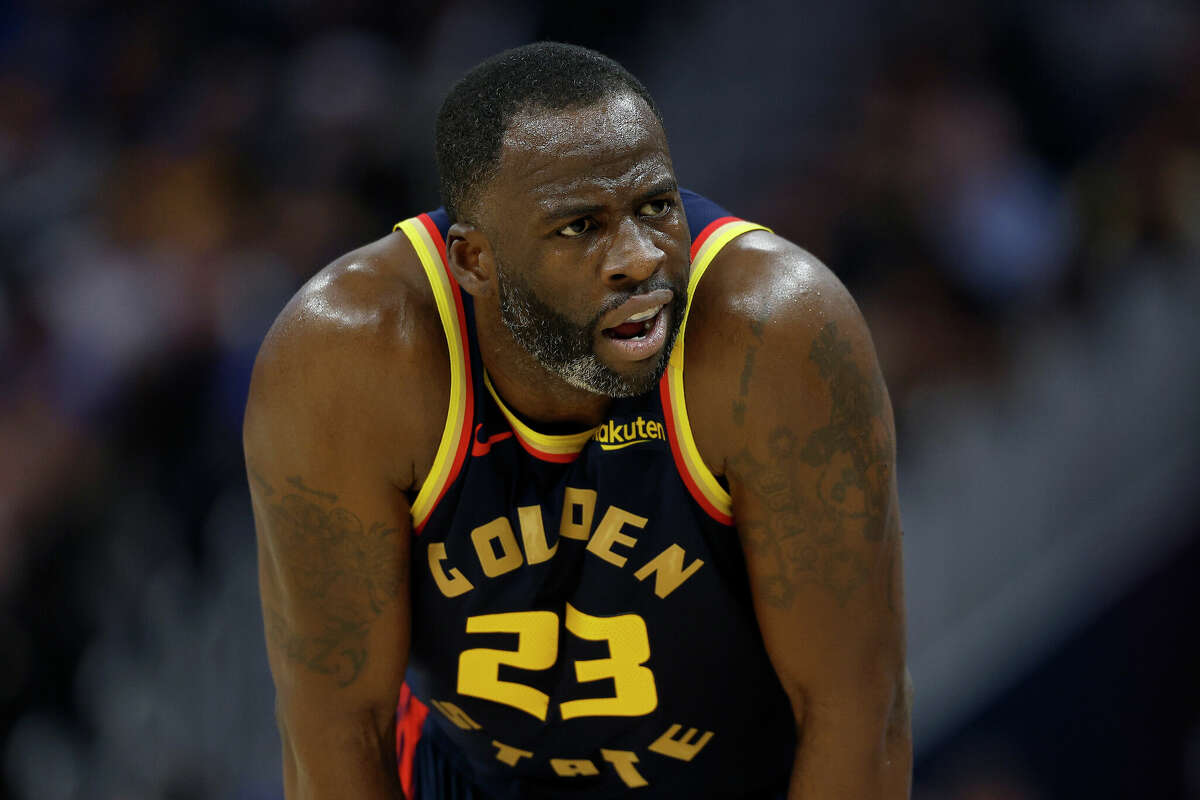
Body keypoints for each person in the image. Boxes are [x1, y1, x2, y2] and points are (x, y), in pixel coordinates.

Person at [244, 42, 911, 800]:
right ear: (473, 261)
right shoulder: (348, 358)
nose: (638, 258)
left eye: (655, 206)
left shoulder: (772, 331)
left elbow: (858, 710)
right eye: (580, 227)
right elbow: (338, 730)